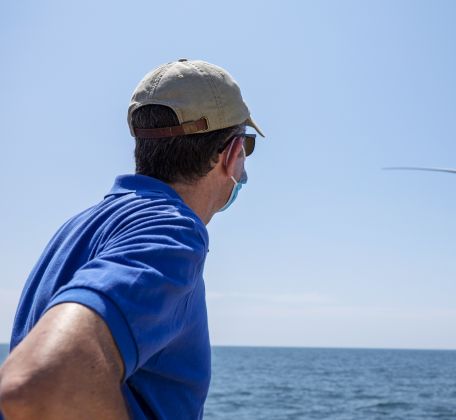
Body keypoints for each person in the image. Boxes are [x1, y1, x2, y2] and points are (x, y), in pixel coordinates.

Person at [0, 59, 264, 419]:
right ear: (232, 154)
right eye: (247, 148)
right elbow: (36, 383)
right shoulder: (171, 233)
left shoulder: (77, 229)